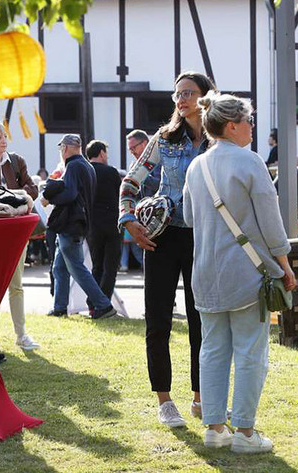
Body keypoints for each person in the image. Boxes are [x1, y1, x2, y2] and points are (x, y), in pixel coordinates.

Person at [183, 93, 296, 452]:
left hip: (205, 272)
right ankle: (245, 432)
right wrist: (285, 263)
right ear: (231, 125)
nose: (252, 126)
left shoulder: (196, 166)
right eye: (248, 120)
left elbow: (188, 218)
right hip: (248, 272)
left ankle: (215, 428)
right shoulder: (250, 162)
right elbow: (271, 222)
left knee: (213, 349)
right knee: (250, 352)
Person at [119, 71, 217, 428]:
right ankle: (164, 400)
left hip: (204, 238)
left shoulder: (220, 141)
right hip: (159, 237)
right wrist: (129, 220)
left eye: (189, 93)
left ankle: (200, 396)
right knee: (158, 320)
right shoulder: (163, 139)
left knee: (201, 320)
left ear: (207, 97)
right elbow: (131, 181)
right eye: (178, 95)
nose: (181, 100)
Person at [0, 120, 40, 351]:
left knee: (17, 284)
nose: (4, 141)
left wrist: (8, 195)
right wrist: (14, 197)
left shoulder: (16, 161)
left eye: (5, 136)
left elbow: (32, 190)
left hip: (16, 231)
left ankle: (21, 334)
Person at [42, 134, 116, 320]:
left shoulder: (73, 165)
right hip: (79, 223)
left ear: (65, 149)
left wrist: (49, 196)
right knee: (59, 267)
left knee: (76, 268)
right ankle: (59, 307)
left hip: (71, 224)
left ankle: (103, 305)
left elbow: (69, 194)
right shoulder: (86, 165)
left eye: (61, 149)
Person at [85, 140, 122, 311]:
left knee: (97, 266)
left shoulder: (85, 171)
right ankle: (104, 303)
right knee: (110, 267)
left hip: (92, 225)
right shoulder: (111, 172)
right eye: (105, 152)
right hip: (112, 224)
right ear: (101, 153)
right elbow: (119, 196)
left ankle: (93, 303)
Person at [127, 129, 161, 198]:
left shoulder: (157, 160)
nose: (132, 152)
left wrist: (139, 174)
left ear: (144, 144)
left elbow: (158, 185)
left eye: (133, 148)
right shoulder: (142, 163)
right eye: (130, 149)